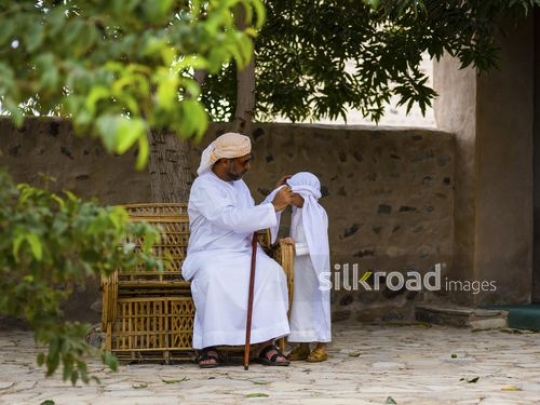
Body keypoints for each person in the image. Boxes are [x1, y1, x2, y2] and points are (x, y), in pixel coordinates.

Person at [182, 132, 294, 368]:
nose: (248, 166)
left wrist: (274, 199)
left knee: (271, 272)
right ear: (225, 161)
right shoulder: (204, 186)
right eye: (244, 162)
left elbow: (249, 215)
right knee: (213, 276)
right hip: (210, 253)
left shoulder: (240, 185)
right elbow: (229, 218)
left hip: (243, 252)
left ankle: (265, 345)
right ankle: (209, 346)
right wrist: (272, 207)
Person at [265, 172, 331, 362]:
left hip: (313, 268)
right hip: (298, 267)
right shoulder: (297, 213)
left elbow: (318, 244)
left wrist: (296, 246)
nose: (290, 197)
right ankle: (302, 345)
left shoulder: (317, 213)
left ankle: (321, 346)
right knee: (299, 305)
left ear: (305, 193)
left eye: (293, 193)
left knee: (315, 303)